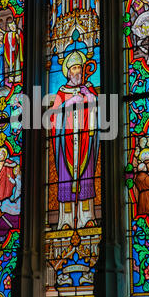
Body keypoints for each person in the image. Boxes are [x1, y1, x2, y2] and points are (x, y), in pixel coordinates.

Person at [50, 51, 99, 230]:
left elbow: (98, 114)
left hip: (86, 141)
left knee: (86, 176)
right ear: (68, 72)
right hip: (66, 143)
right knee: (65, 178)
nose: (77, 72)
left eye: (79, 68)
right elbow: (52, 118)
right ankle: (66, 220)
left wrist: (90, 98)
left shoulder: (89, 88)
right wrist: (68, 105)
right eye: (74, 68)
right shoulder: (61, 92)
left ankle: (87, 217)